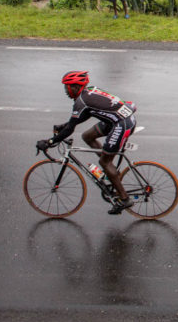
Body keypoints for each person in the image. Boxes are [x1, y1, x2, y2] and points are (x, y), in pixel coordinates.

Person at [36, 71, 137, 214]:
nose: (65, 91)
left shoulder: (81, 101)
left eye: (67, 87)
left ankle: (124, 199)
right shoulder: (89, 91)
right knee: (87, 136)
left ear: (76, 87)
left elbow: (71, 127)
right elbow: (83, 116)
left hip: (122, 124)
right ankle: (112, 171)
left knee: (105, 163)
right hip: (119, 119)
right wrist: (65, 125)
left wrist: (49, 141)